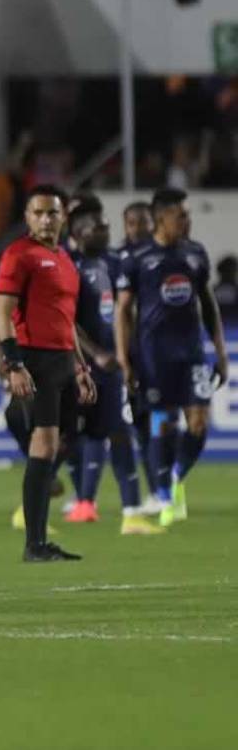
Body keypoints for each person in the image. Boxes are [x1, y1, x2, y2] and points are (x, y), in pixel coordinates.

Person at [115, 187, 228, 528]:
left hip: (192, 352)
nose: (188, 221)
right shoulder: (138, 258)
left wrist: (219, 352)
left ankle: (176, 477)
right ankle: (163, 496)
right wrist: (124, 359)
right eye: (182, 215)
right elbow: (122, 311)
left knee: (198, 424)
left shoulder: (195, 253)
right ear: (161, 218)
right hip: (153, 357)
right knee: (162, 425)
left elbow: (207, 304)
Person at [0, 185, 97, 563]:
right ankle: (35, 543)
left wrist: (81, 365)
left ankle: (38, 515)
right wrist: (14, 363)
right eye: (38, 212)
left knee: (70, 436)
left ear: (63, 217)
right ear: (27, 217)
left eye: (52, 213)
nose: (45, 219)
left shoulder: (66, 260)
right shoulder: (19, 255)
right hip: (34, 358)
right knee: (44, 444)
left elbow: (65, 320)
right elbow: (2, 311)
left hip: (62, 362)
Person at [64, 203, 163, 535]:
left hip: (116, 363)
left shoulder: (119, 262)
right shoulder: (70, 269)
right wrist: (95, 354)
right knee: (75, 435)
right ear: (78, 234)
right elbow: (67, 321)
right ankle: (84, 503)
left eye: (106, 227)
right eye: (97, 228)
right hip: (83, 365)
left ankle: (112, 508)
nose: (105, 232)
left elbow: (128, 311)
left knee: (116, 431)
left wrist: (126, 353)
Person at [117, 200, 161, 514]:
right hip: (130, 354)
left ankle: (166, 488)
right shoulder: (120, 258)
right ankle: (158, 490)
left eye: (142, 222)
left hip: (158, 353)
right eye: (131, 223)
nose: (137, 229)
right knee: (141, 426)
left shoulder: (165, 258)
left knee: (163, 423)